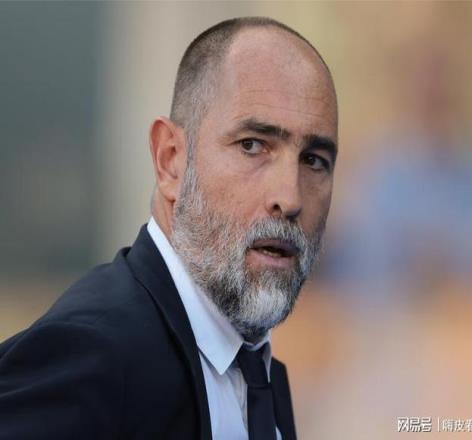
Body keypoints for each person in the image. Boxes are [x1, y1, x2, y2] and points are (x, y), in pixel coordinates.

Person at [0, 17, 338, 440]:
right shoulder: (89, 353)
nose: (290, 197)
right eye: (252, 145)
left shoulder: (258, 372)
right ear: (170, 160)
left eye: (314, 160)